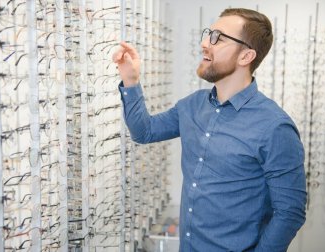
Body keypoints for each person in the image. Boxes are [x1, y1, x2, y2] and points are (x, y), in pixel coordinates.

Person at [112, 7, 306, 252]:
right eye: (208, 33)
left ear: (246, 56)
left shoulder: (275, 127)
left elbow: (290, 213)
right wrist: (130, 80)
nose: (205, 43)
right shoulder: (192, 105)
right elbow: (145, 131)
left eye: (218, 38)